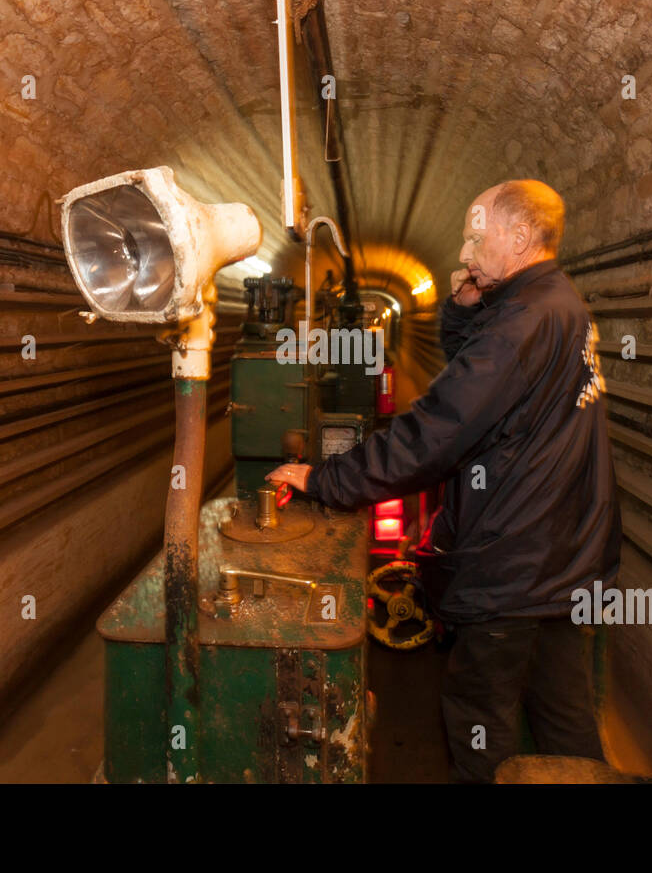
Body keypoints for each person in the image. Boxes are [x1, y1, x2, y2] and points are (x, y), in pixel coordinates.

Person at [266, 179, 622, 783]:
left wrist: (326, 479)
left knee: (481, 722)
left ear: (517, 236)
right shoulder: (554, 303)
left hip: (514, 563)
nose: (463, 251)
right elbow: (478, 368)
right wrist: (462, 306)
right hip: (565, 559)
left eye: (473, 237)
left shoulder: (521, 325)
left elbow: (435, 433)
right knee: (562, 717)